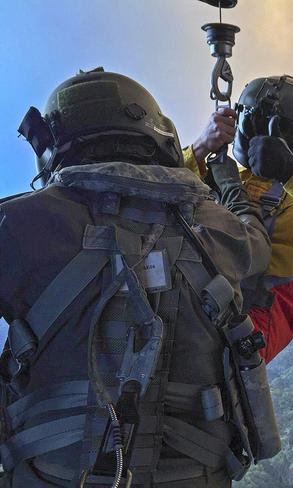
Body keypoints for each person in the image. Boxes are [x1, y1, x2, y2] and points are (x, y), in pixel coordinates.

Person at [0, 68, 277, 487]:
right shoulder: (218, 226)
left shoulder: (17, 224)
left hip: (52, 475)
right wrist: (231, 188)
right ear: (156, 136)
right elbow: (256, 244)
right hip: (197, 474)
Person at [184, 75, 293, 363]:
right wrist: (200, 147)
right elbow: (160, 187)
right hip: (205, 292)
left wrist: (291, 172)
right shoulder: (222, 173)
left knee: (204, 365)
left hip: (260, 305)